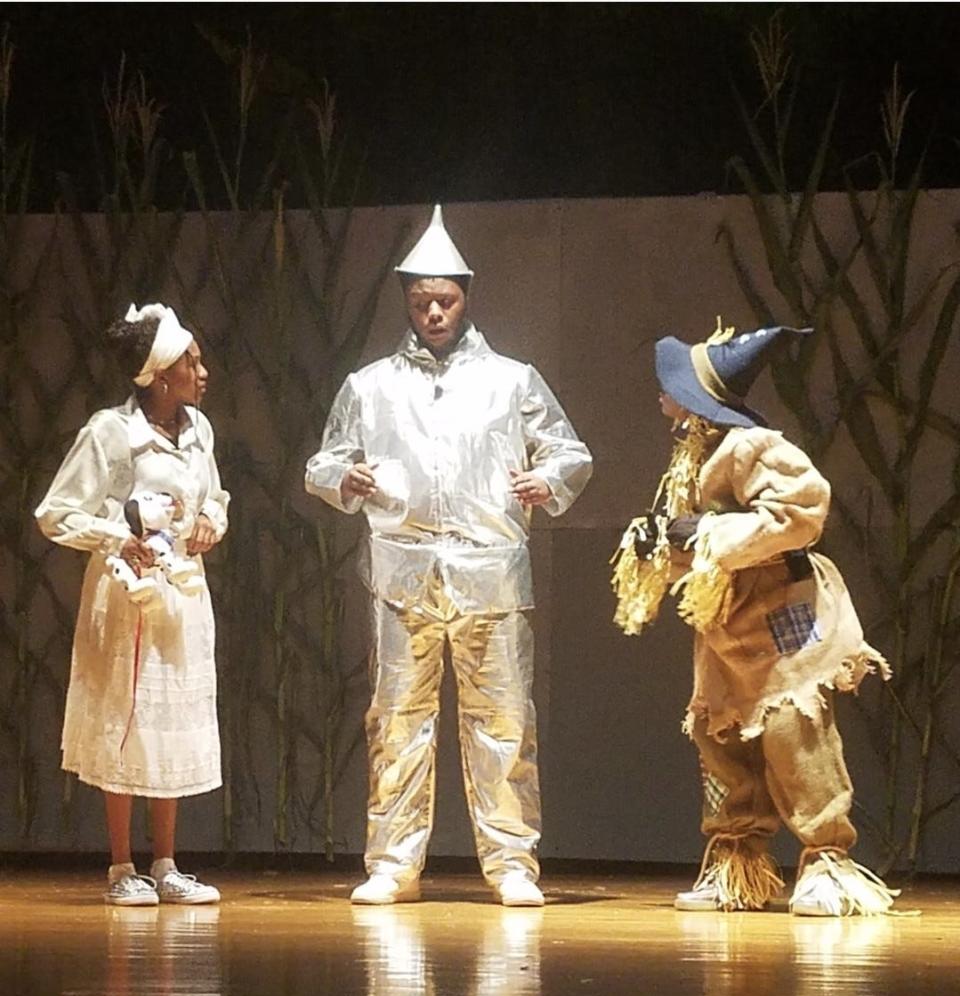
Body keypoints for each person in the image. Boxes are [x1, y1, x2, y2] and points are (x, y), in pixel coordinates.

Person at [306, 206, 592, 906]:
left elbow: (569, 450)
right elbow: (324, 460)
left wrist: (546, 480)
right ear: (406, 301)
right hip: (402, 571)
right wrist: (344, 479)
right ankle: (394, 861)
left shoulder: (511, 380)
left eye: (446, 299)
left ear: (466, 297)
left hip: (489, 569)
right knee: (397, 717)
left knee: (503, 719)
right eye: (421, 300)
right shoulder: (370, 386)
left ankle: (513, 861)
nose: (434, 311)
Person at [612, 318, 900, 916]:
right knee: (721, 736)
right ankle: (737, 864)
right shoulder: (691, 454)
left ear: (694, 399)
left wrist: (712, 530)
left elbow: (802, 510)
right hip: (726, 621)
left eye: (668, 385)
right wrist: (660, 544)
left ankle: (827, 864)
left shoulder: (754, 447)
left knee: (795, 732)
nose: (659, 393)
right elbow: (693, 540)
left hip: (783, 611)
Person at [35, 303, 229, 906]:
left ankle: (166, 863)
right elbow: (55, 514)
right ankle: (122, 866)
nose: (203, 372)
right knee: (128, 718)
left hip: (182, 595)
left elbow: (216, 496)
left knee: (169, 723)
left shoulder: (200, 430)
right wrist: (121, 534)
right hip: (126, 595)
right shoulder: (110, 432)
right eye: (191, 362)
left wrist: (207, 522)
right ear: (161, 374)